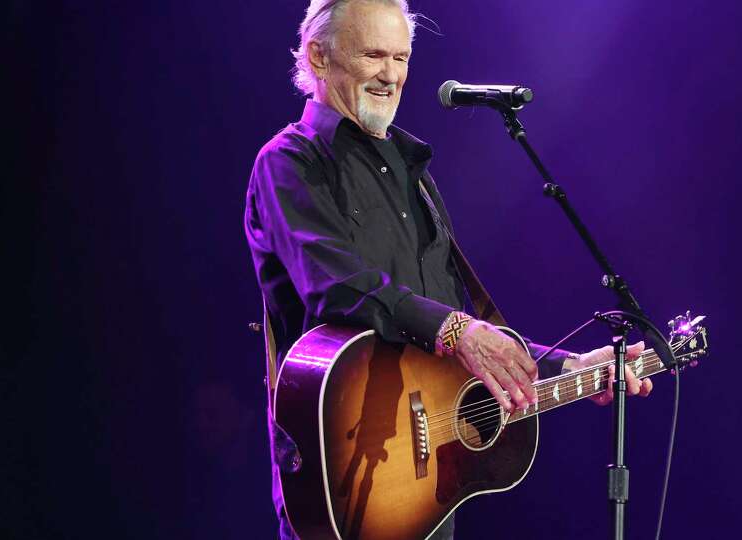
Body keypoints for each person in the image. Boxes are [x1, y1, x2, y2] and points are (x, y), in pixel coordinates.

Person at [244, 0, 654, 537]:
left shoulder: (415, 176)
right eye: (373, 55)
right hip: (343, 483)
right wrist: (457, 331)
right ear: (319, 57)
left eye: (401, 57)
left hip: (425, 490)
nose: (391, 75)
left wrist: (567, 367)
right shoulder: (289, 163)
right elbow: (335, 285)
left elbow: (457, 325)